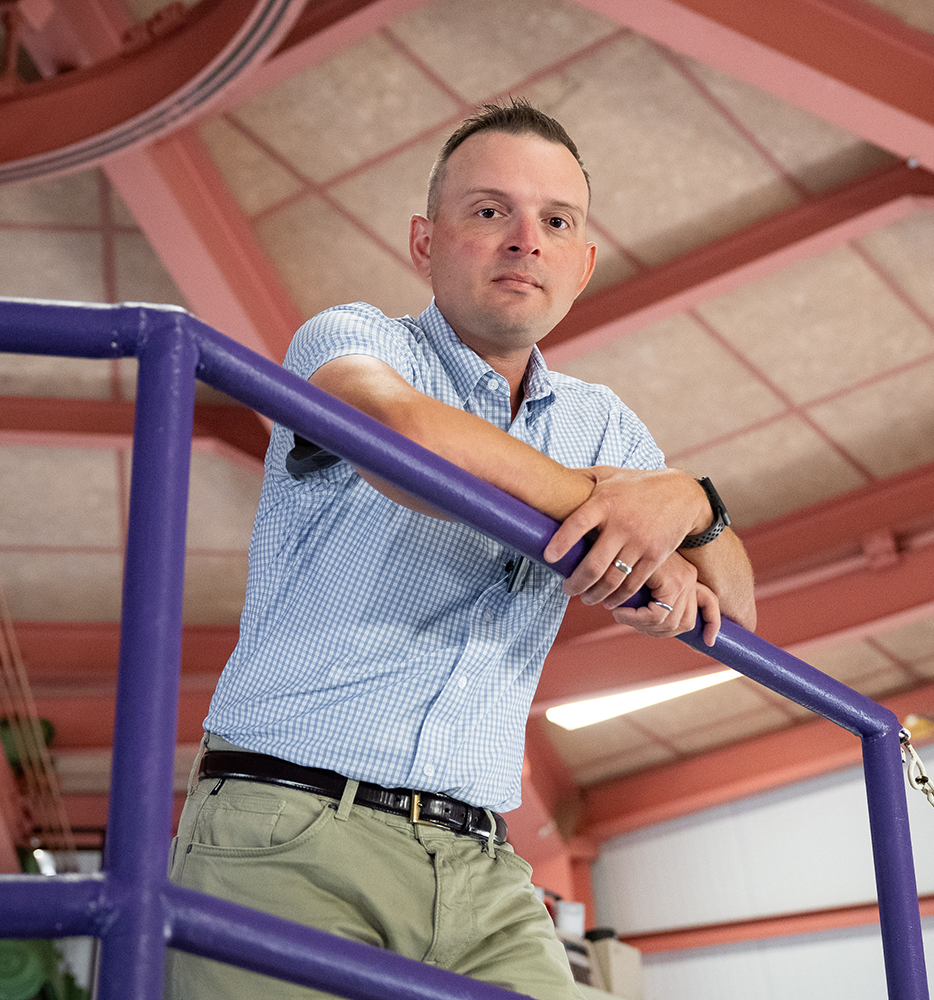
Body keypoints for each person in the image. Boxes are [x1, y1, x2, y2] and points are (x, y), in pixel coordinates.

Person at [167, 100, 756, 1000]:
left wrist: (692, 503)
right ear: (424, 242)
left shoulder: (605, 423)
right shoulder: (352, 340)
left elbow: (736, 617)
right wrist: (605, 509)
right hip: (287, 829)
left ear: (583, 264)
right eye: (489, 212)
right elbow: (404, 440)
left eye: (556, 221)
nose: (526, 240)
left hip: (481, 865)